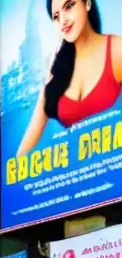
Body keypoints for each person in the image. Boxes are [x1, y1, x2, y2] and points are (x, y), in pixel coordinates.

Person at [16, 0, 122, 157]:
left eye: (69, 6)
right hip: (74, 175)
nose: (63, 20)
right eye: (56, 16)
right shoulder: (56, 67)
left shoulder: (116, 49)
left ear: (87, 4)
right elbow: (27, 143)